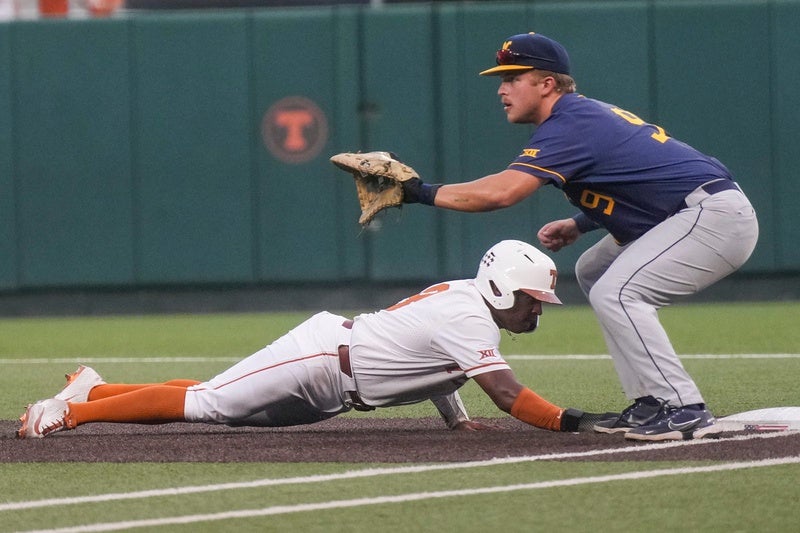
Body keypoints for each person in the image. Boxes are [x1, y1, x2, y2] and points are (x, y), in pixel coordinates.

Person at [398, 32, 759, 441]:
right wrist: (579, 223)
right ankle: (650, 402)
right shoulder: (577, 118)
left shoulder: (570, 124)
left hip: (711, 216)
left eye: (513, 77)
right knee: (593, 270)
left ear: (546, 83)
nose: (501, 89)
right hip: (683, 212)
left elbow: (501, 193)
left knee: (618, 293)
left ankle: (683, 407)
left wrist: (419, 193)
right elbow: (637, 182)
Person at [17, 240, 610, 439]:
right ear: (505, 290)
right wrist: (569, 421)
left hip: (335, 382)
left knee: (212, 398)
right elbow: (506, 395)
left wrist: (455, 420)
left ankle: (94, 392)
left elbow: (440, 361)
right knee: (208, 403)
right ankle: (68, 414)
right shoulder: (472, 318)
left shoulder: (466, 301)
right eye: (535, 299)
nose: (539, 310)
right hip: (321, 358)